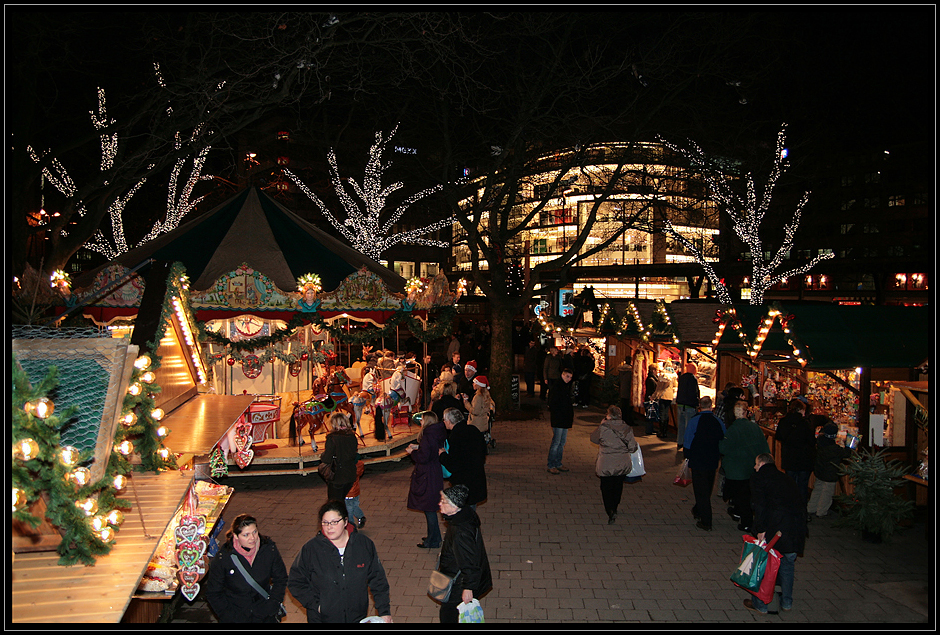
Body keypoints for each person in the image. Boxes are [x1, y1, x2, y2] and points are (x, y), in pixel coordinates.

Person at [288, 500, 393, 623]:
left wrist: (384, 612)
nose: (329, 527)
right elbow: (295, 581)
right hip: (322, 619)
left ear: (345, 522)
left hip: (356, 618)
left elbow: (378, 580)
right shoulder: (311, 549)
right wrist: (317, 605)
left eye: (334, 522)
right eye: (325, 523)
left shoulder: (363, 545)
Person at [745, 453, 808, 614]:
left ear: (761, 464)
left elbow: (759, 505)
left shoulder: (759, 478)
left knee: (765, 565)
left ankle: (761, 604)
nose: (754, 467)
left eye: (756, 464)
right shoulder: (785, 478)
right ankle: (787, 602)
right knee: (787, 565)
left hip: (776, 528)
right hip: (795, 527)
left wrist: (760, 529)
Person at [204, 514, 288, 623]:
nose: (252, 538)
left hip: (265, 615)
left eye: (254, 532)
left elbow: (281, 578)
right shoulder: (224, 558)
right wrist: (227, 616)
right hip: (237, 616)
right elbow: (213, 592)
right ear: (235, 536)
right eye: (246, 535)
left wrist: (273, 604)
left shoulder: (268, 549)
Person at [434, 485, 493, 624]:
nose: (439, 503)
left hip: (458, 581)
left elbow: (469, 561)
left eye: (443, 501)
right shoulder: (465, 515)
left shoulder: (460, 531)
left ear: (455, 507)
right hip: (459, 577)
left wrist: (468, 588)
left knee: (448, 614)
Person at [719, 401, 770, 532]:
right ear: (746, 412)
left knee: (740, 496)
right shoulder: (755, 428)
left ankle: (746, 522)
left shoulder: (732, 430)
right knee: (747, 495)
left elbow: (723, 448)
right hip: (753, 468)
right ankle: (738, 513)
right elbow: (765, 449)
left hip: (736, 470)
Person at [590, 405, 638, 524]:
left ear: (609, 416)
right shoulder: (627, 428)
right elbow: (633, 447)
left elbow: (593, 439)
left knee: (606, 487)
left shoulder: (604, 427)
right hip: (622, 463)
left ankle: (609, 509)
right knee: (618, 486)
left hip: (606, 463)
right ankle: (615, 507)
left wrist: (600, 425)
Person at [406, 411, 447, 549]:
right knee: (431, 507)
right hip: (434, 472)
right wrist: (418, 447)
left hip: (427, 474)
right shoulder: (437, 433)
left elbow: (423, 457)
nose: (420, 422)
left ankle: (433, 541)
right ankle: (434, 536)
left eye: (422, 420)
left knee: (429, 508)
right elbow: (431, 450)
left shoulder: (428, 436)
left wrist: (413, 453)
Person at [685, 396, 725, 530]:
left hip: (697, 460)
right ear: (711, 406)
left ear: (700, 406)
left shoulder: (694, 421)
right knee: (707, 488)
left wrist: (687, 456)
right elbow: (723, 439)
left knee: (700, 490)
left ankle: (706, 520)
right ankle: (698, 510)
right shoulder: (718, 421)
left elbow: (688, 440)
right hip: (712, 460)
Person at [439, 408, 488, 507]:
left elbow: (453, 464)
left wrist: (442, 455)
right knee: (471, 505)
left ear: (449, 421)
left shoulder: (456, 436)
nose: (443, 422)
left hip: (463, 480)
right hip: (476, 477)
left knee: (464, 510)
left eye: (444, 420)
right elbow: (484, 451)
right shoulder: (473, 430)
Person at [774, 398, 817, 509]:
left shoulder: (783, 421)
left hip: (789, 458)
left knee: (790, 485)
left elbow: (778, 436)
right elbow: (811, 441)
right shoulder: (805, 423)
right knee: (802, 487)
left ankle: (789, 508)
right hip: (804, 460)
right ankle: (801, 511)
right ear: (800, 410)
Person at [806, 420, 852, 518]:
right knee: (827, 492)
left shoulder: (819, 442)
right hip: (830, 473)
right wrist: (848, 445)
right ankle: (821, 511)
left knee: (817, 489)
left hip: (819, 471)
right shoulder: (834, 449)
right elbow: (846, 453)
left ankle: (811, 507)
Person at [321, 411, 360, 517]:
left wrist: (322, 456)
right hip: (350, 474)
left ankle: (341, 525)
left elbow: (327, 458)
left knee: (335, 505)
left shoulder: (332, 438)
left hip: (337, 476)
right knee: (341, 502)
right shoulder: (352, 436)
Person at [546, 368, 575, 475]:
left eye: (570, 377)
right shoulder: (557, 387)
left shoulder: (565, 386)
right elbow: (553, 403)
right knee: (556, 442)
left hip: (564, 419)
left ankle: (558, 463)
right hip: (559, 419)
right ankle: (551, 464)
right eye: (567, 376)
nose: (569, 379)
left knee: (561, 442)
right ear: (562, 375)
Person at [675, 363, 700, 453]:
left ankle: (679, 442)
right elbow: (694, 392)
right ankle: (687, 444)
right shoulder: (693, 379)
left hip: (680, 404)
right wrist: (697, 403)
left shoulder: (682, 377)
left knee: (681, 425)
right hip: (689, 405)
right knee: (688, 426)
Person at [345, 458, 367, 529]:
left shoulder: (347, 468)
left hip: (348, 493)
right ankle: (361, 517)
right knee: (354, 506)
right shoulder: (359, 465)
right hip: (356, 491)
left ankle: (351, 526)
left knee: (349, 510)